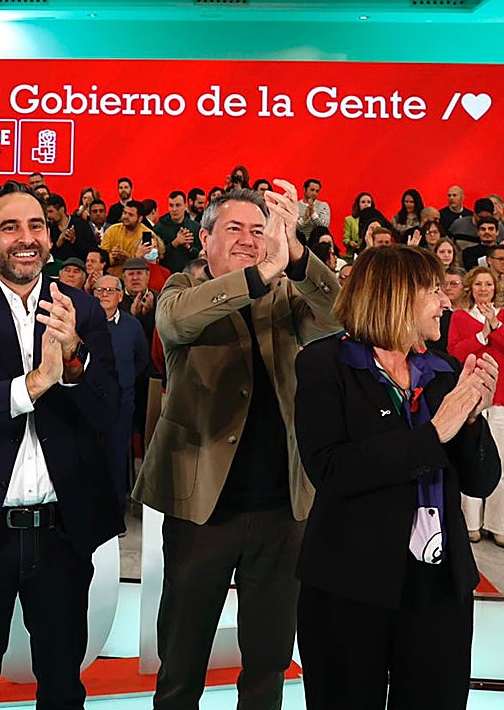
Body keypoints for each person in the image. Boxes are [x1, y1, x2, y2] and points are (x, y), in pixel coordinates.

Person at [133, 182, 342, 710]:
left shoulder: (288, 295)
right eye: (234, 229)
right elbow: (178, 323)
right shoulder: (180, 290)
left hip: (283, 508)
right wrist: (258, 275)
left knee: (269, 660)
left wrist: (295, 253)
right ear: (204, 239)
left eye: (259, 230)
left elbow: (343, 316)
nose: (250, 240)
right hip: (204, 509)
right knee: (182, 658)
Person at [0, 180, 122, 710]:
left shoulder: (81, 308)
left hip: (61, 534)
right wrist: (32, 385)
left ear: (51, 238)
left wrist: (74, 360)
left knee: (62, 687)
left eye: (36, 226)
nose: (26, 238)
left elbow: (108, 410)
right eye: (10, 227)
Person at [293, 245, 501, 710]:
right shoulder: (323, 364)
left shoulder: (444, 369)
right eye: (434, 290)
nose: (447, 301)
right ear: (397, 296)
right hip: (349, 584)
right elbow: (329, 469)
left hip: (439, 588)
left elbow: (482, 482)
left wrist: (470, 421)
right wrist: (434, 432)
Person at [447, 266, 504, 549]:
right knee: (471, 460)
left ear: (496, 288)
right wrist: (481, 334)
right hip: (473, 396)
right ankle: (470, 524)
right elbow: (455, 351)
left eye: (488, 284)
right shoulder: (459, 317)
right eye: (478, 284)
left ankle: (499, 525)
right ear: (470, 287)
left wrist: (497, 328)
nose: (483, 289)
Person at [94, 273, 149, 511]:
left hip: (121, 402)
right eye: (99, 290)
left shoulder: (132, 325)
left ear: (120, 295)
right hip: (89, 401)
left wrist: (123, 381)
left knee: (117, 456)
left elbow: (141, 359)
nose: (104, 295)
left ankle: (116, 511)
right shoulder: (84, 323)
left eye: (109, 290)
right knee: (90, 458)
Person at [153, 190, 202, 274]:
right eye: (171, 205)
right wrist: (175, 243)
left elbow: (200, 255)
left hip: (190, 275)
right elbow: (156, 257)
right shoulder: (159, 228)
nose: (174, 209)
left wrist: (188, 247)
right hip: (167, 275)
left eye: (178, 205)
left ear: (185, 206)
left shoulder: (195, 227)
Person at [343, 192, 375, 257]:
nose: (366, 204)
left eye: (368, 202)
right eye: (363, 202)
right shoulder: (349, 220)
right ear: (358, 204)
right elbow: (345, 239)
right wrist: (350, 243)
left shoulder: (375, 220)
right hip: (354, 253)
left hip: (372, 253)